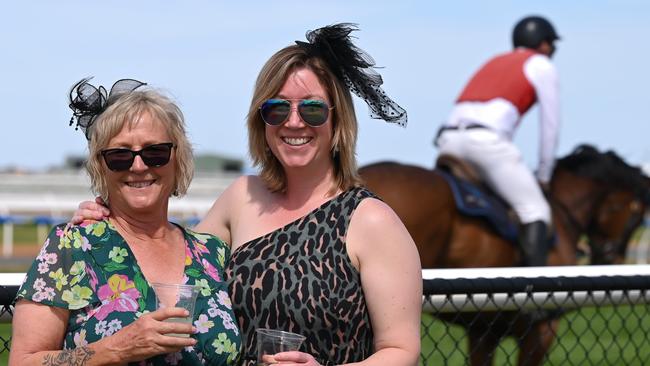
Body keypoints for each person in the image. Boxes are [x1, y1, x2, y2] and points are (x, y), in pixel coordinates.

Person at [72, 23, 422, 366]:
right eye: (278, 109)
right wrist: (110, 219)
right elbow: (176, 259)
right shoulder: (242, 196)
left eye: (312, 109)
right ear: (261, 120)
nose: (294, 122)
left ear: (338, 121)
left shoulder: (371, 219)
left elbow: (400, 350)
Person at [10, 78, 241, 365]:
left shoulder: (213, 253)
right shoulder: (72, 247)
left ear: (177, 158)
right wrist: (115, 349)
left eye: (155, 152)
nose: (139, 166)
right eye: (120, 156)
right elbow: (23, 361)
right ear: (100, 166)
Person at [435, 15, 561, 266]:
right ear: (545, 44)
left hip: (449, 140)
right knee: (535, 211)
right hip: (485, 142)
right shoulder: (542, 64)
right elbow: (550, 127)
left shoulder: (494, 61)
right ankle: (533, 299)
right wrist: (545, 175)